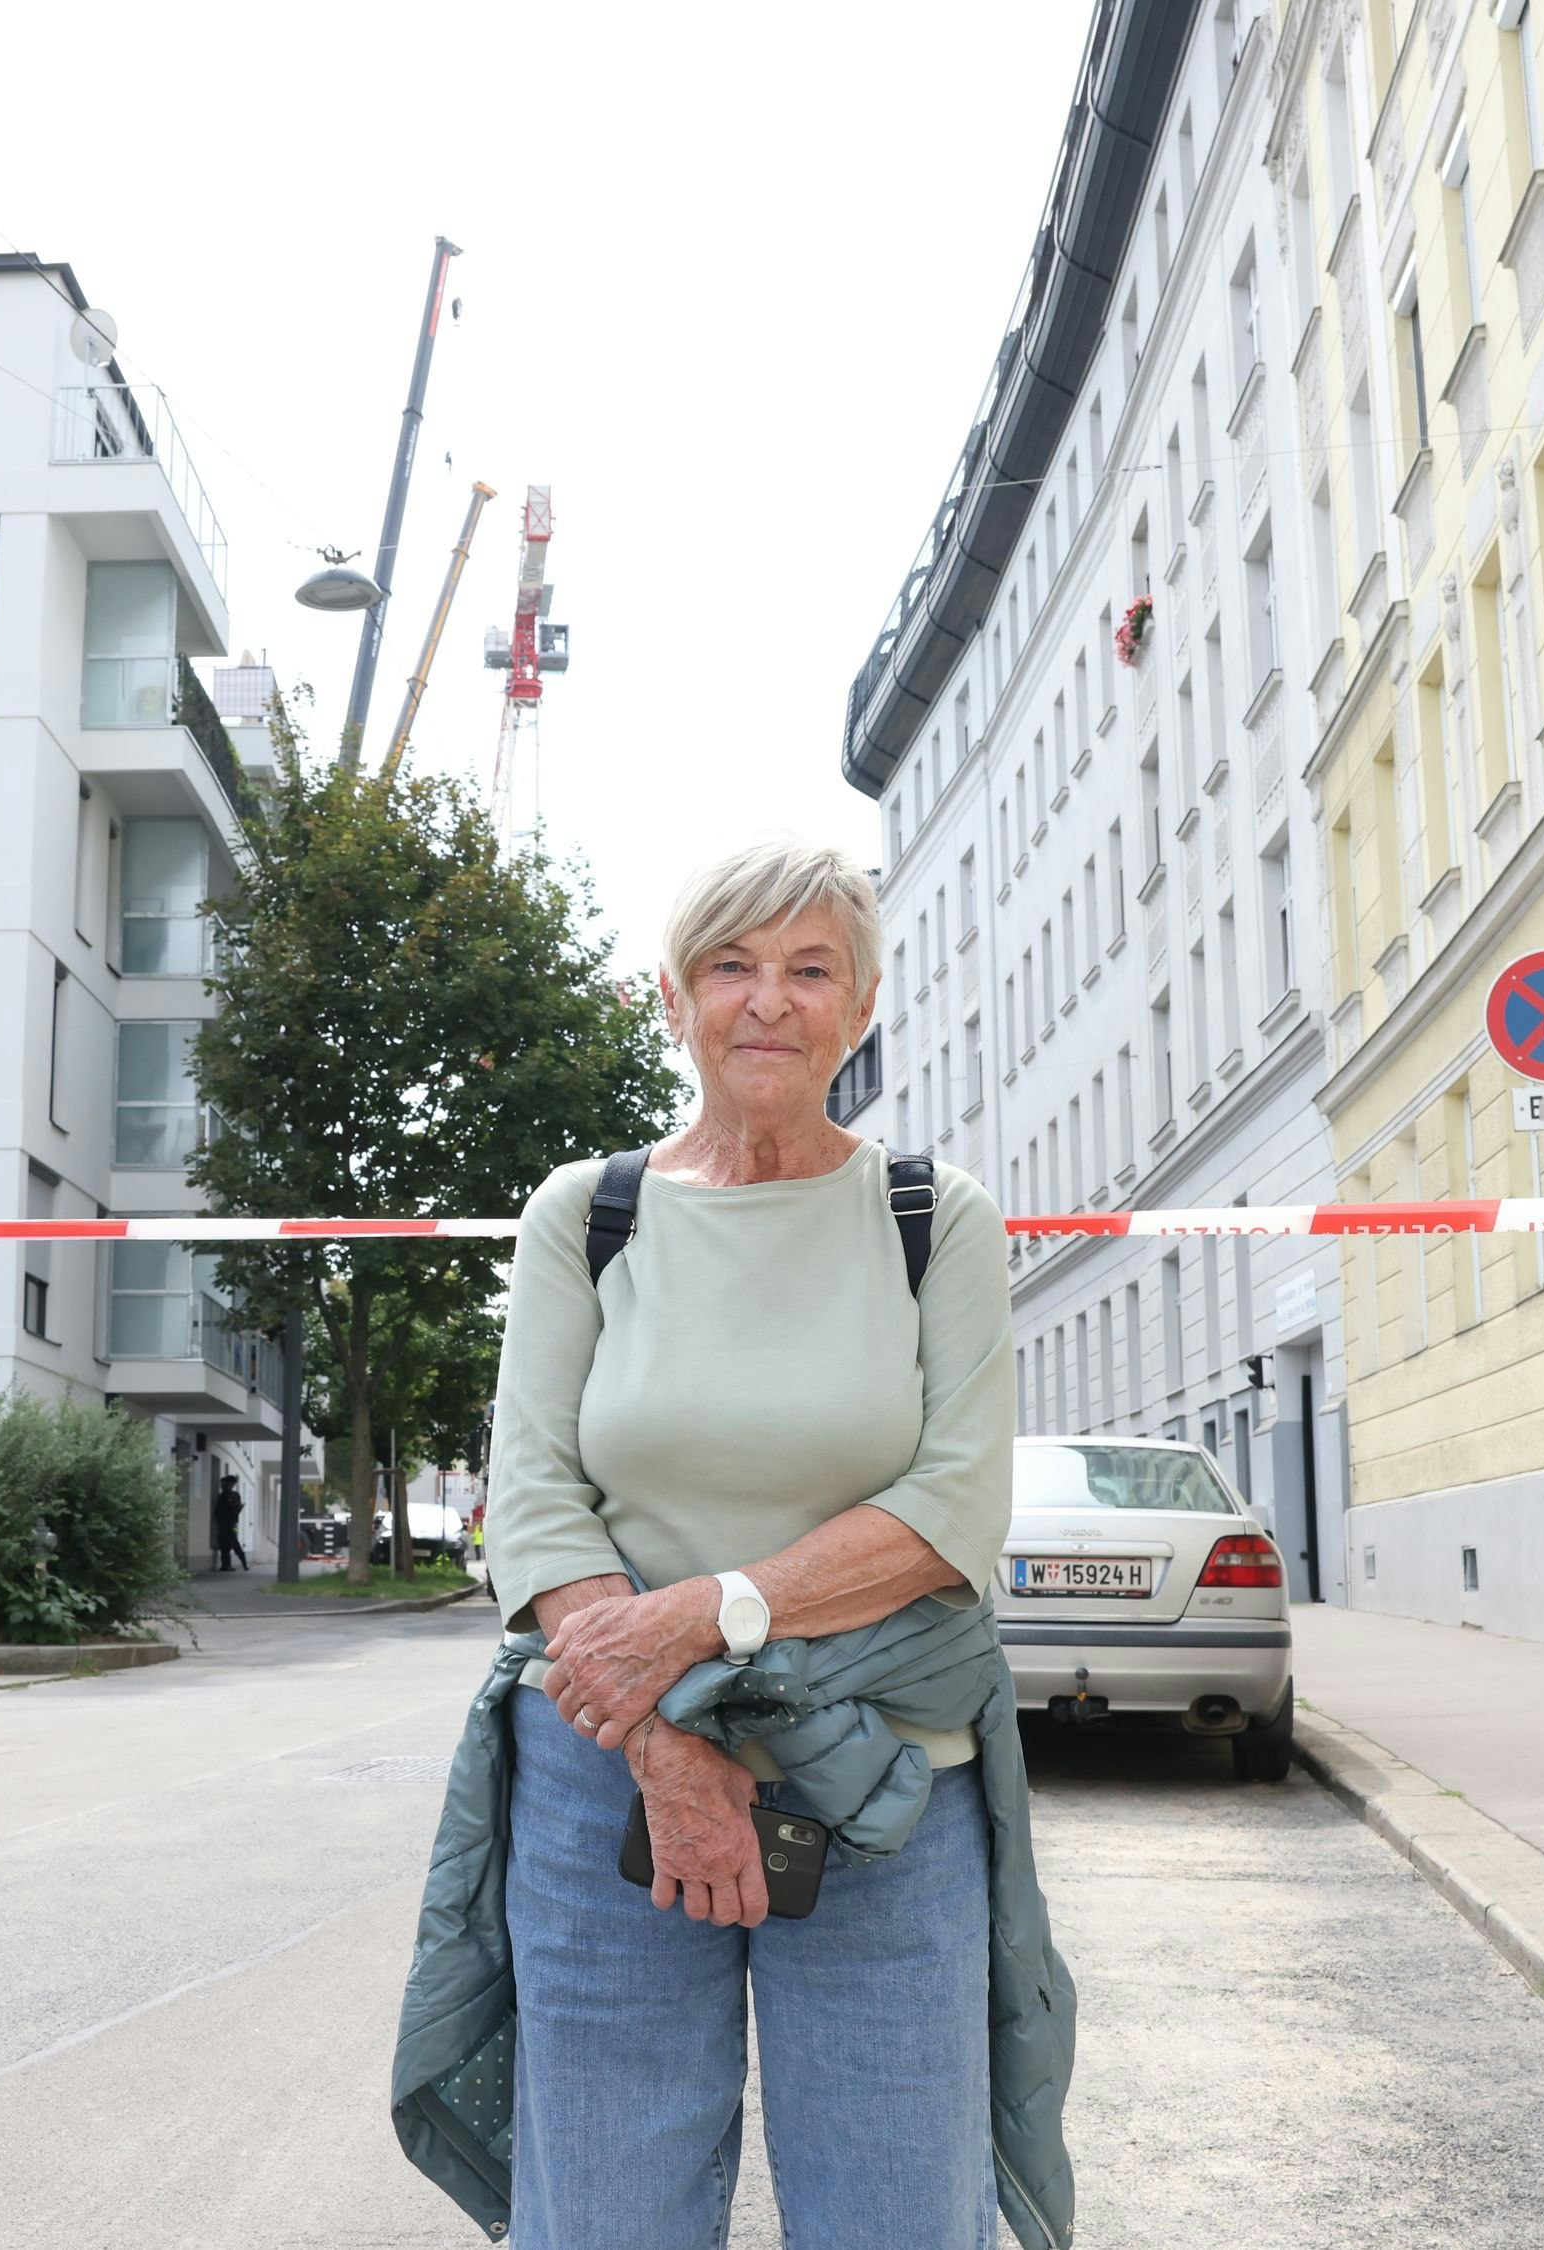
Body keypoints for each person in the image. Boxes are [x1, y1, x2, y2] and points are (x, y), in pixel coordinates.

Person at [390, 838, 1077, 2250]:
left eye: (810, 969)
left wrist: (706, 1614)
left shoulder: (932, 1218)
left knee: (898, 2218)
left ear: (862, 1006)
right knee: (604, 2218)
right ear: (674, 998)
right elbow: (535, 1501)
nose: (769, 1000)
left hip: (882, 1786)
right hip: (607, 1785)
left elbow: (953, 1510)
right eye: (731, 965)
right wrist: (666, 1747)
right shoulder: (587, 1214)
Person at [209, 1468, 248, 1573]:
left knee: (233, 1542)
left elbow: (232, 1510)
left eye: (225, 1484)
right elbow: (219, 1510)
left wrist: (237, 1508)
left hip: (232, 1523)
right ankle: (227, 1565)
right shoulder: (223, 1496)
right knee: (224, 1544)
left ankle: (242, 1564)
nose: (223, 1486)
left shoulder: (233, 1495)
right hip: (225, 1523)